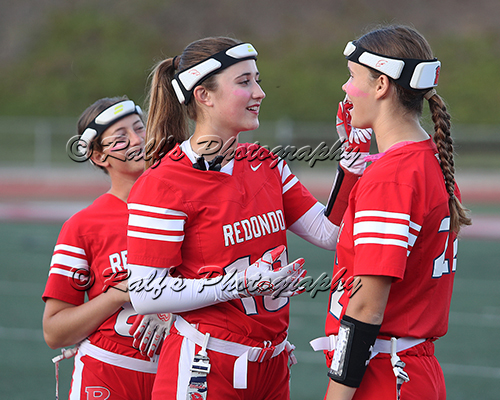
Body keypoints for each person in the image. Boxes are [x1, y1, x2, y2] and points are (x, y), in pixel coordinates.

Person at [119, 36, 371, 400]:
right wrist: (237, 284)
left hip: (271, 364)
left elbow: (328, 234)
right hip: (206, 363)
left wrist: (350, 165)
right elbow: (146, 293)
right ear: (204, 95)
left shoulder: (265, 163)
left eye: (257, 80)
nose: (259, 92)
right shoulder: (164, 182)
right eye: (244, 81)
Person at [309, 25, 472, 400]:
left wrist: (337, 394)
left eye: (353, 77)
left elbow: (367, 306)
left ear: (381, 85)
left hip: (384, 372)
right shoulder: (429, 158)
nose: (346, 88)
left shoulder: (392, 176)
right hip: (411, 368)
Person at [42, 96, 172, 400]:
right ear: (100, 157)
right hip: (109, 374)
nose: (137, 140)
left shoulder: (186, 208)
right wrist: (117, 294)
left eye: (139, 128)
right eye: (121, 137)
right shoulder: (83, 225)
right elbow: (54, 332)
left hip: (180, 372)